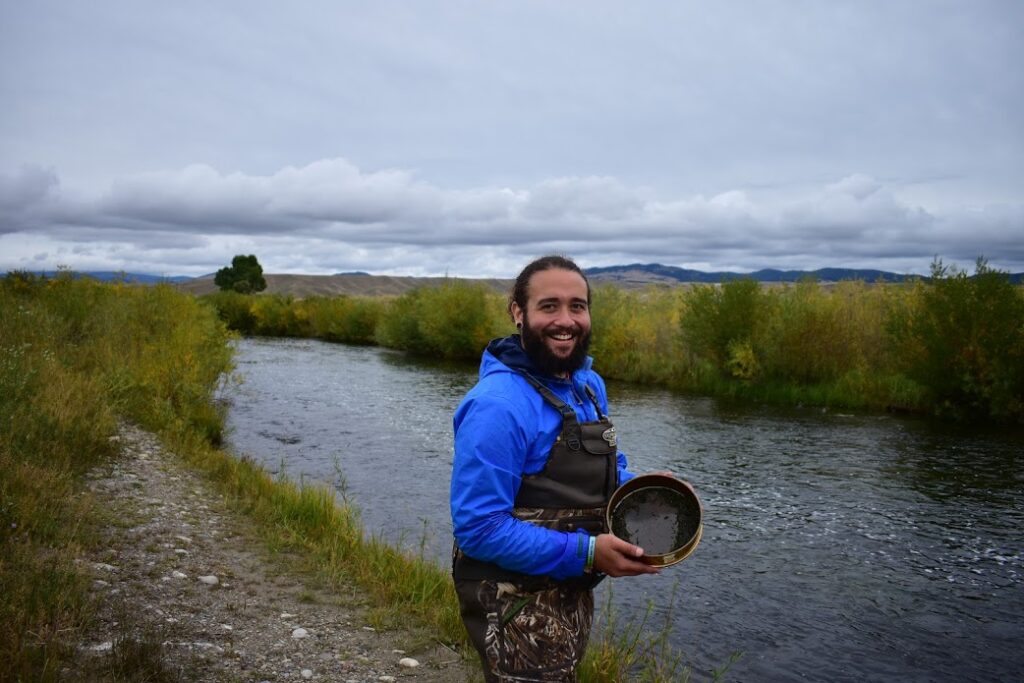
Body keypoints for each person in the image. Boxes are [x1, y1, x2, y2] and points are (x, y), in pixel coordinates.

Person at [450, 254, 659, 682]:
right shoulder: (498, 406)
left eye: (577, 306)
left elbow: (608, 468)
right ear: (518, 313)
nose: (566, 320)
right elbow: (478, 528)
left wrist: (647, 490)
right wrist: (586, 552)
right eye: (549, 306)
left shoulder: (587, 384)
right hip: (511, 596)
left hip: (567, 583)